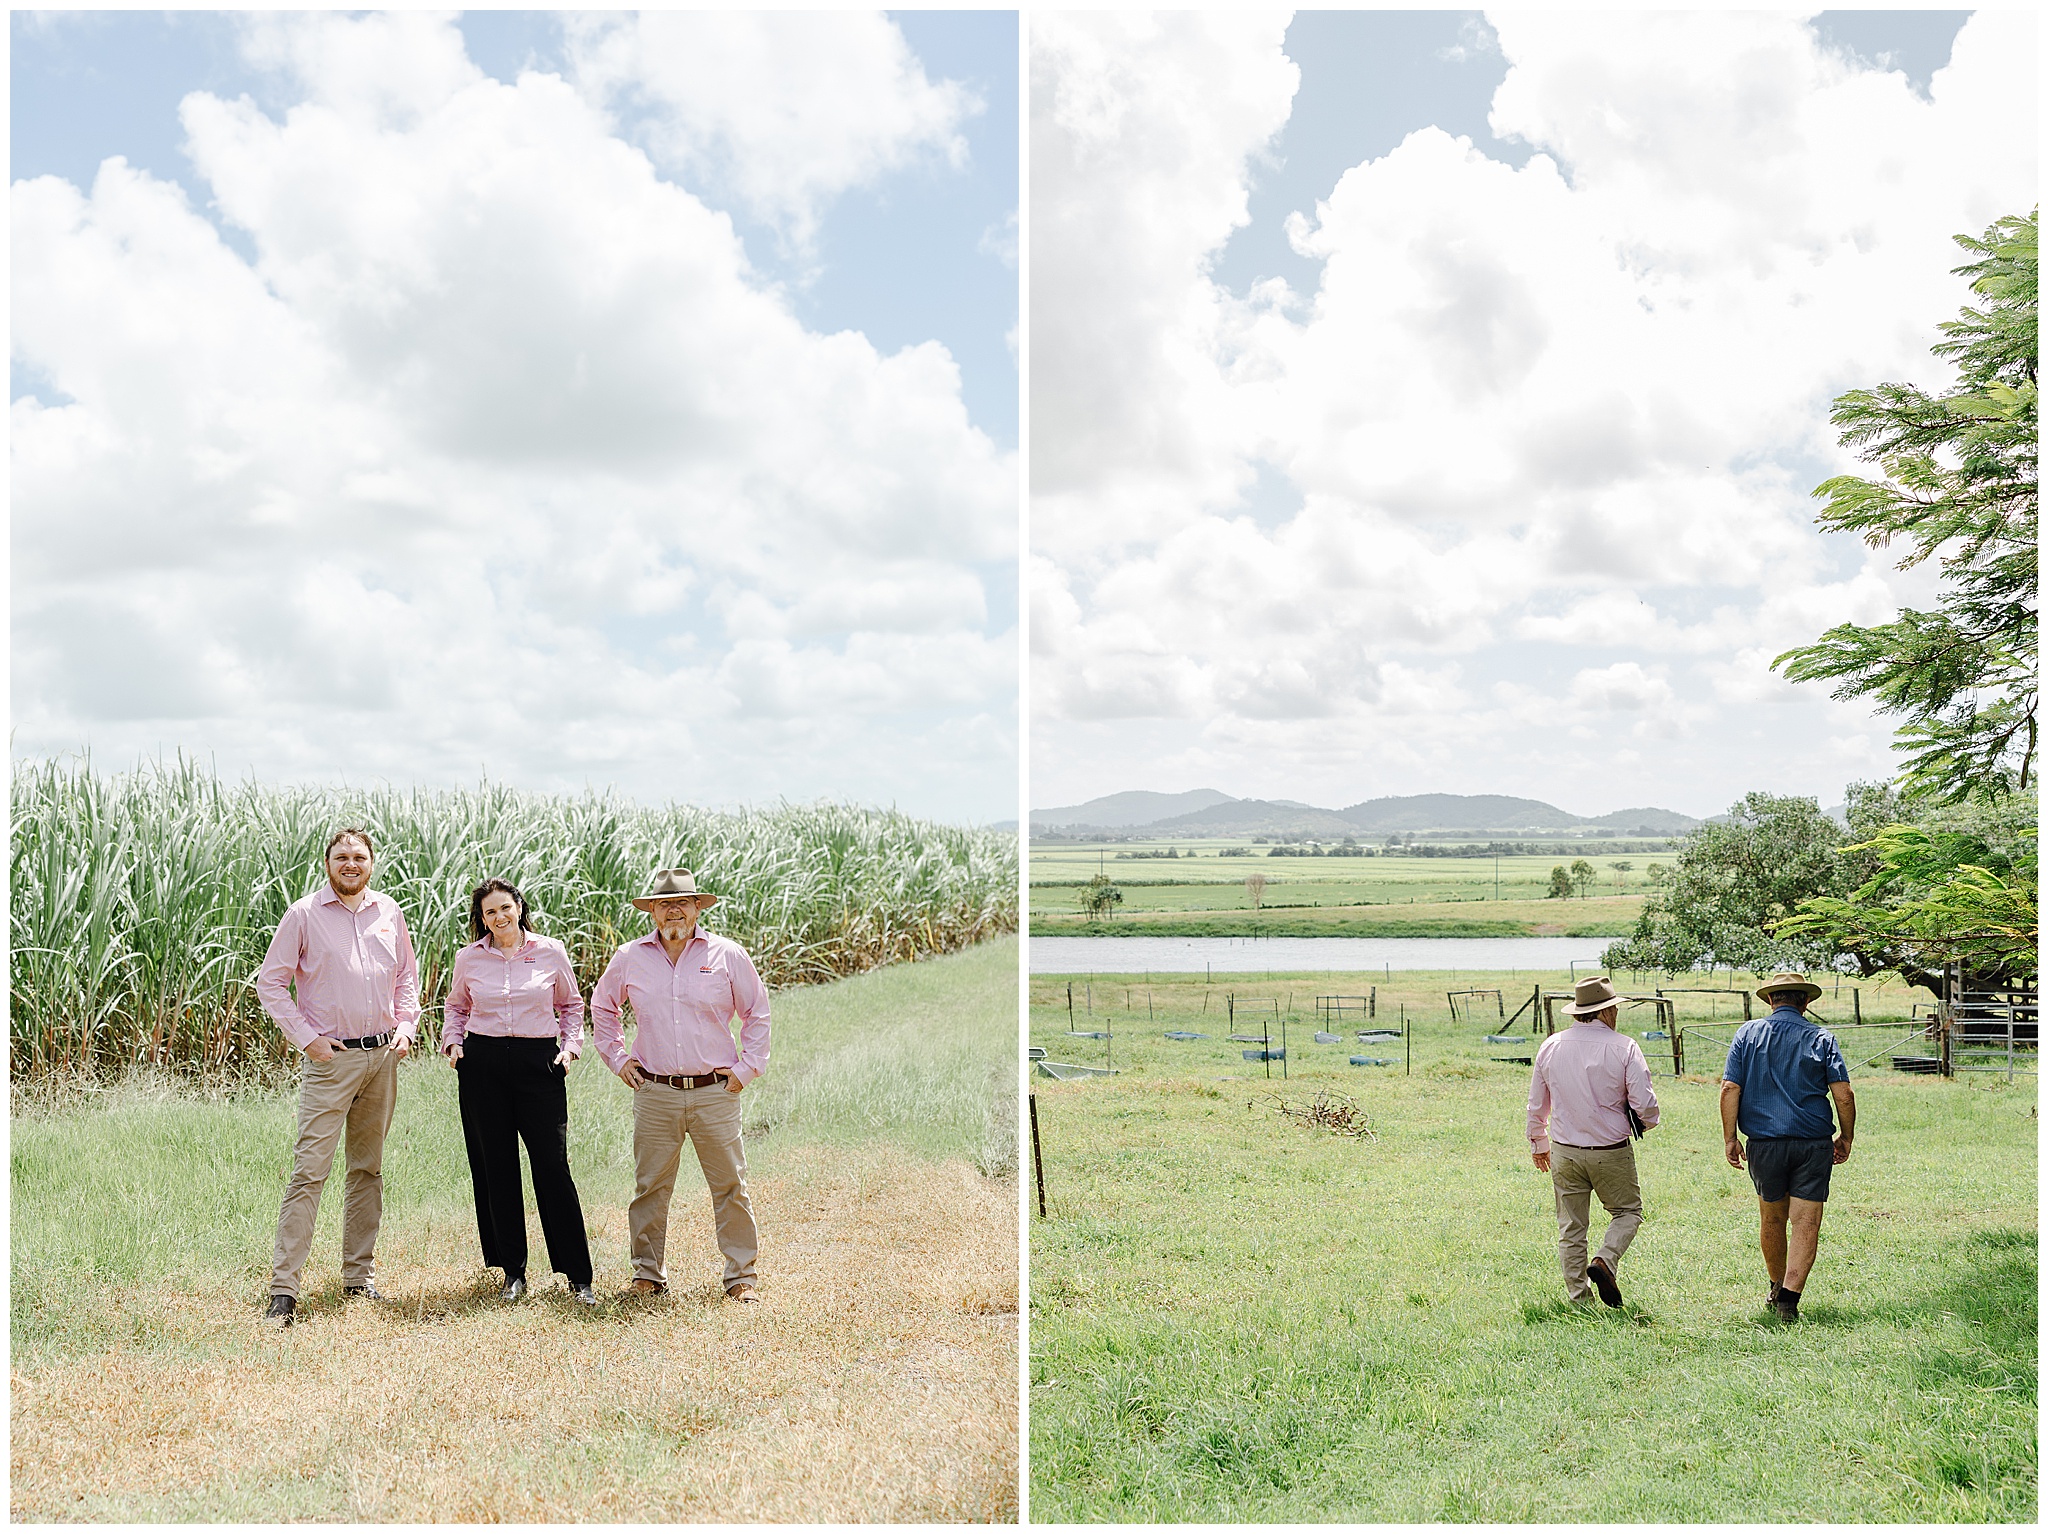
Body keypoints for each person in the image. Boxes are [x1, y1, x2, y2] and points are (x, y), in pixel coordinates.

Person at [256, 828, 420, 1327]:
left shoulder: (389, 912)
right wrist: (307, 1039)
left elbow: (406, 976)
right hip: (331, 1062)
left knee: (367, 1170)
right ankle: (284, 1290)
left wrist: (406, 1025)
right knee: (309, 1172)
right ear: (327, 863)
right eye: (342, 857)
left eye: (360, 857)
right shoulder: (303, 914)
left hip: (382, 1059)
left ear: (372, 863)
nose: (351, 864)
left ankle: (358, 1277)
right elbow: (270, 984)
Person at [592, 868, 770, 1303]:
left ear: (696, 909)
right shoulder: (629, 957)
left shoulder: (727, 954)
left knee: (730, 1186)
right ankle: (647, 1275)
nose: (674, 910)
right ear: (652, 911)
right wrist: (618, 1059)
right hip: (655, 1092)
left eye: (682, 903)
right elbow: (602, 1007)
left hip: (716, 1091)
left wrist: (747, 1068)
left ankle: (741, 1277)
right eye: (664, 904)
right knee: (650, 1188)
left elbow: (757, 1013)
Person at [442, 877, 597, 1307]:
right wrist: (453, 1043)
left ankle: (578, 1276)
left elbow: (571, 1005)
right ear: (482, 919)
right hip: (483, 1066)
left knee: (552, 1166)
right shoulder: (469, 958)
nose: (499, 917)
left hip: (538, 1065)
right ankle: (513, 1272)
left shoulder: (550, 951)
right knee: (496, 1168)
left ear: (519, 908)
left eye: (505, 908)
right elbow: (456, 1006)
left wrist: (570, 1047)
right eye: (490, 912)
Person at [1721, 971, 1855, 1324]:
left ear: (1770, 1000)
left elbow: (1730, 1088)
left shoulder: (1747, 1035)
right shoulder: (1822, 1037)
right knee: (1806, 1222)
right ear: (1805, 1002)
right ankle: (1789, 1303)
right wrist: (1846, 1136)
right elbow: (1843, 1093)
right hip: (1812, 1144)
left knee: (1772, 1218)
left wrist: (1730, 1138)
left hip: (1764, 1144)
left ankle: (1776, 1286)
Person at [1526, 974, 1661, 1308]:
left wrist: (1538, 1142)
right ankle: (1605, 1260)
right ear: (1606, 1011)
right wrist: (1646, 1123)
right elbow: (1645, 1104)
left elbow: (1537, 1102)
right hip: (1610, 1151)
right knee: (1628, 1212)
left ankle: (1580, 1301)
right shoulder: (1624, 1046)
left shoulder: (1551, 1045)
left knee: (1571, 1227)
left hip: (1564, 1151)